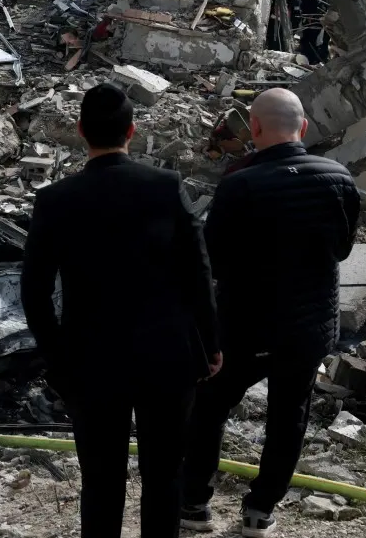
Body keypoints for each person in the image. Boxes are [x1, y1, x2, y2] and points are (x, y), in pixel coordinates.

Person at [21, 82, 220, 538]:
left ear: (79, 132)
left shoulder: (54, 199)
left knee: (101, 479)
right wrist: (211, 343)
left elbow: (33, 290)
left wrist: (57, 356)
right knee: (164, 475)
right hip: (167, 356)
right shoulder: (165, 186)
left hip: (90, 361)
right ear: (132, 130)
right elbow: (198, 271)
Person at [181, 88, 360, 538]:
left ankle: (195, 506)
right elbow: (342, 249)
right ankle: (260, 512)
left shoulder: (239, 184)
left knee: (208, 408)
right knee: (289, 417)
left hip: (246, 327)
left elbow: (215, 263)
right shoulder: (339, 177)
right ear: (302, 128)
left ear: (254, 129)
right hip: (309, 329)